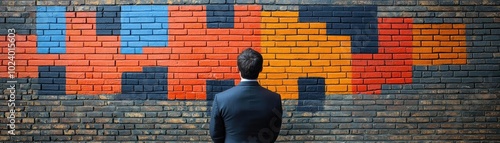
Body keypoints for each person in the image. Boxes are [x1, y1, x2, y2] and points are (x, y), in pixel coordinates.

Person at [209, 48, 283, 143]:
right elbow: (274, 131)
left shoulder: (221, 99)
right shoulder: (274, 99)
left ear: (237, 68)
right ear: (261, 69)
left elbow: (215, 134)